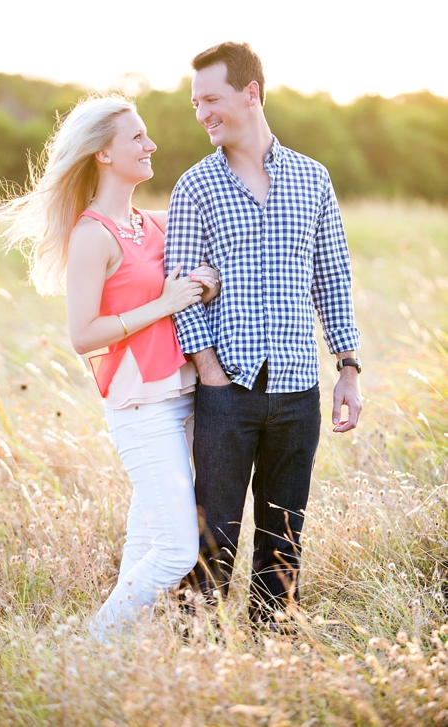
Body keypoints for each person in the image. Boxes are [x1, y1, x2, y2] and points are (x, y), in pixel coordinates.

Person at [0, 94, 220, 641]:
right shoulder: (92, 235)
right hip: (140, 407)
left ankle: (103, 667)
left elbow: (200, 272)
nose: (151, 145)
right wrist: (167, 303)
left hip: (186, 394)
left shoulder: (154, 224)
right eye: (137, 137)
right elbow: (82, 335)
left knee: (144, 546)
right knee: (174, 551)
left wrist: (203, 284)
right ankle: (86, 649)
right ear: (102, 154)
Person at [165, 42, 362, 626]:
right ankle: (194, 649)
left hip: (299, 388)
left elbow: (333, 276)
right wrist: (211, 375)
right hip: (228, 389)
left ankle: (272, 644)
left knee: (284, 534)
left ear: (251, 93)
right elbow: (179, 291)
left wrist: (347, 368)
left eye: (212, 99)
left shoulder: (313, 178)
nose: (202, 112)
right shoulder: (194, 186)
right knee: (213, 534)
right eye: (196, 102)